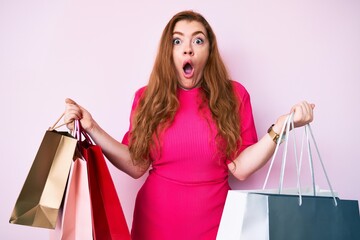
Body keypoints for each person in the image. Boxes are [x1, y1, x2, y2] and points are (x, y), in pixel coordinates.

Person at [64, 10, 314, 240]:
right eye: (177, 41)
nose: (188, 50)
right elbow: (136, 164)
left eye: (198, 40)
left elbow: (241, 168)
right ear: (168, 52)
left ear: (209, 51)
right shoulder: (147, 97)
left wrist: (280, 128)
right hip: (154, 223)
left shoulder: (234, 95)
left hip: (216, 224)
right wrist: (93, 127)